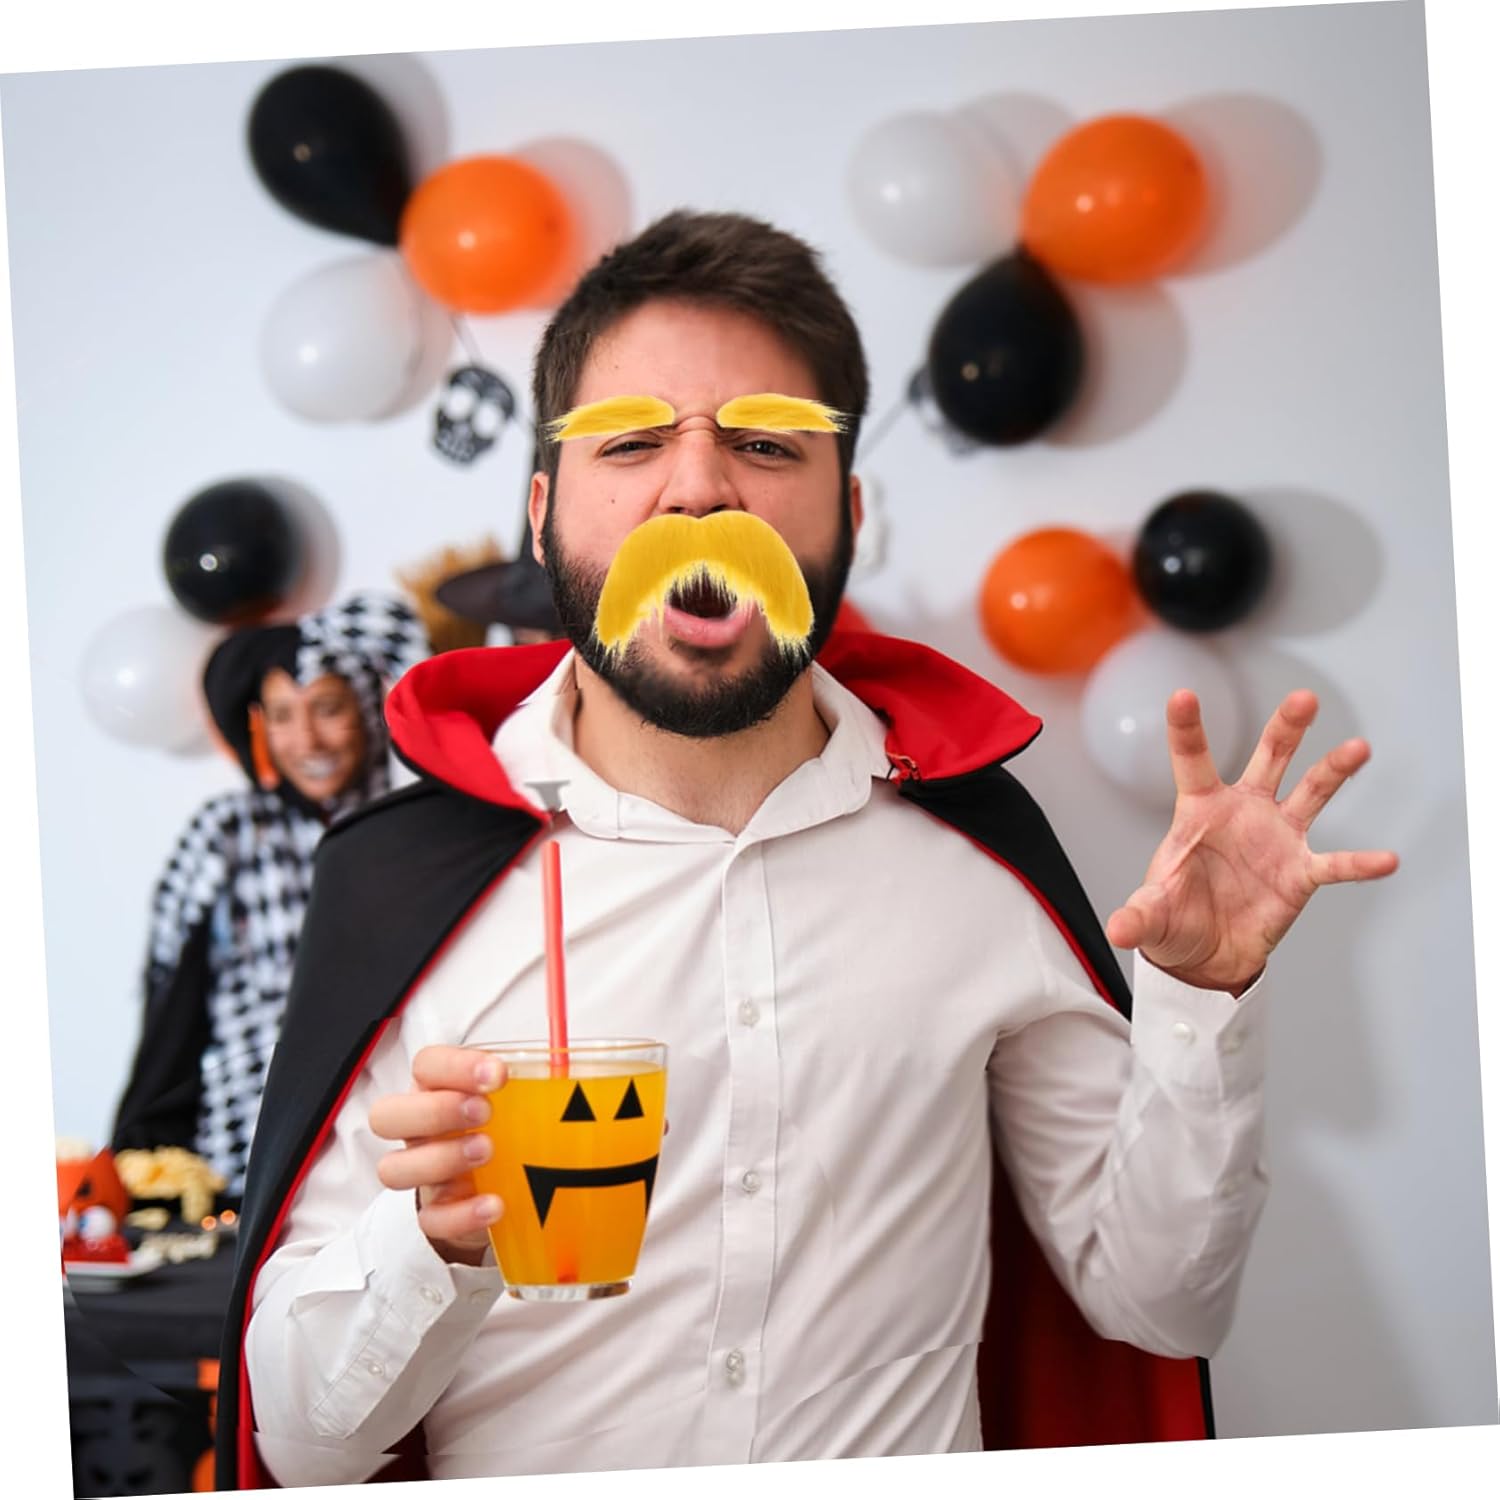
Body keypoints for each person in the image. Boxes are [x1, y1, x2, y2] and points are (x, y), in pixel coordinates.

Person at [217, 212, 1398, 1487]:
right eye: (631, 442)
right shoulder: (402, 885)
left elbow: (1159, 1303)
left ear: (846, 507)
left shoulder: (978, 856)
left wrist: (1201, 1002)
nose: (698, 490)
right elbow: (303, 1452)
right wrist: (428, 1247)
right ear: (545, 512)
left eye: (767, 442)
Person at [110, 592, 429, 1200]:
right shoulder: (228, 834)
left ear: (366, 709)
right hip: (248, 1156)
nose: (307, 740)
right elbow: (174, 1009)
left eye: (327, 708)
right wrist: (146, 1161)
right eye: (282, 715)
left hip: (387, 1149)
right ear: (258, 725)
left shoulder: (412, 833)